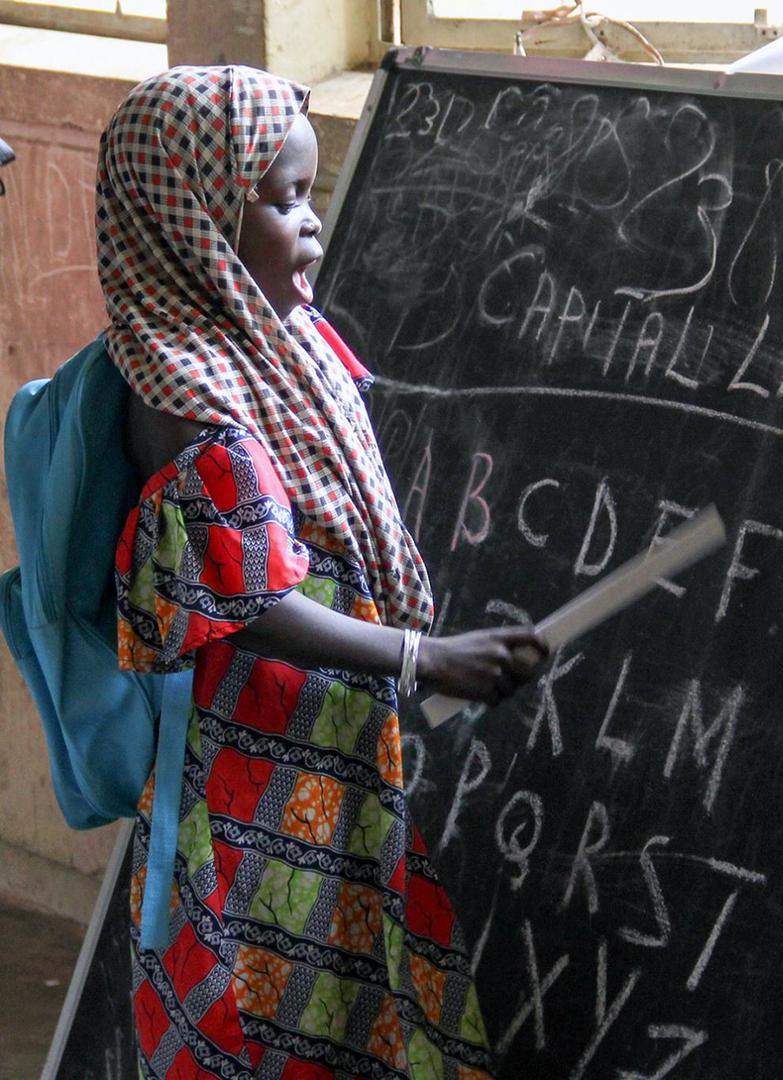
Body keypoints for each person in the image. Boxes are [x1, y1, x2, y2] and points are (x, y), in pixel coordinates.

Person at [99, 66, 538, 1078]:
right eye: (284, 200)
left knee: (348, 1007)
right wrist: (419, 654)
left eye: (312, 196)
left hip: (318, 763)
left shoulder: (270, 347)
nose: (313, 227)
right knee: (277, 1020)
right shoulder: (184, 386)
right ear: (195, 215)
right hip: (254, 792)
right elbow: (249, 600)